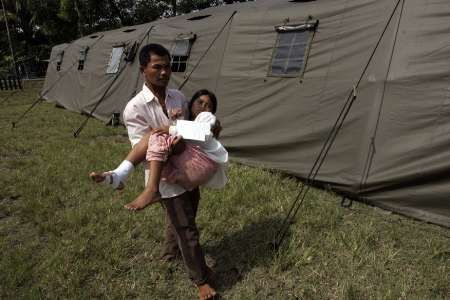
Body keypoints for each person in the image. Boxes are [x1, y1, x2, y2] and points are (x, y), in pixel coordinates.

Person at [95, 44, 218, 300]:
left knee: (184, 214)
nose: (164, 72)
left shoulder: (178, 97)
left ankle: (168, 254)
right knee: (187, 227)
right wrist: (170, 140)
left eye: (167, 66)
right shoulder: (135, 108)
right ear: (143, 70)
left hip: (189, 169)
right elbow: (145, 151)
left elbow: (190, 128)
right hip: (163, 178)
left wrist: (201, 131)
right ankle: (201, 280)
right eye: (157, 67)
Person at [90, 89, 228, 211]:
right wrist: (175, 121)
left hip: (202, 165)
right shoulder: (187, 118)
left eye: (208, 105)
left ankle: (139, 183)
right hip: (190, 172)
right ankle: (122, 176)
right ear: (190, 103)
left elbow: (202, 131)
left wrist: (170, 128)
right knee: (182, 214)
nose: (203, 107)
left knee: (156, 136)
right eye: (200, 102)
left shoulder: (207, 117)